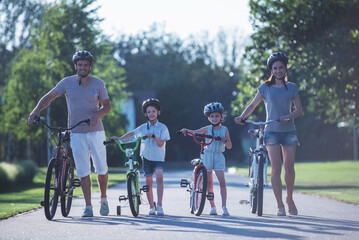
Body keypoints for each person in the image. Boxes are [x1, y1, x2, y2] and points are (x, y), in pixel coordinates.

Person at [28, 50, 111, 217]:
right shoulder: (67, 83)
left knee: (101, 169)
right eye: (80, 65)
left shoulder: (98, 83)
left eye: (85, 65)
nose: (83, 67)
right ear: (75, 66)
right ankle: (88, 206)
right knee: (82, 170)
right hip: (76, 132)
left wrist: (97, 114)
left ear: (89, 67)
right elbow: (49, 97)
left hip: (96, 132)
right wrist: (36, 110)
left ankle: (103, 198)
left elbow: (107, 107)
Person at [235, 52, 303, 216]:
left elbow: (299, 110)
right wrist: (242, 117)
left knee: (289, 168)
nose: (278, 70)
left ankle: (289, 199)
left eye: (281, 67)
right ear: (271, 70)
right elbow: (252, 105)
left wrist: (288, 116)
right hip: (271, 131)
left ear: (285, 68)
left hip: (289, 132)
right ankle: (280, 205)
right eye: (275, 68)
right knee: (276, 169)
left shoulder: (292, 87)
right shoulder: (265, 87)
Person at [110, 98, 170, 216]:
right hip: (146, 157)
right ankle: (152, 207)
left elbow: (161, 144)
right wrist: (120, 138)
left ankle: (160, 205)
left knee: (159, 176)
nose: (151, 114)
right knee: (148, 181)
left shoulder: (162, 128)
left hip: (158, 157)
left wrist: (153, 136)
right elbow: (132, 133)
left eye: (153, 111)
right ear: (145, 114)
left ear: (158, 112)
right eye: (149, 112)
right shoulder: (143, 127)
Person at [180, 102, 232, 216]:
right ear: (208, 117)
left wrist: (225, 141)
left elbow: (229, 146)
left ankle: (224, 206)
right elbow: (195, 132)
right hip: (208, 155)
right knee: (209, 183)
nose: (214, 118)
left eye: (217, 116)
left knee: (222, 182)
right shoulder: (207, 128)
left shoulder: (225, 129)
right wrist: (186, 130)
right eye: (212, 116)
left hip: (218, 156)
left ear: (221, 117)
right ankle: (212, 206)